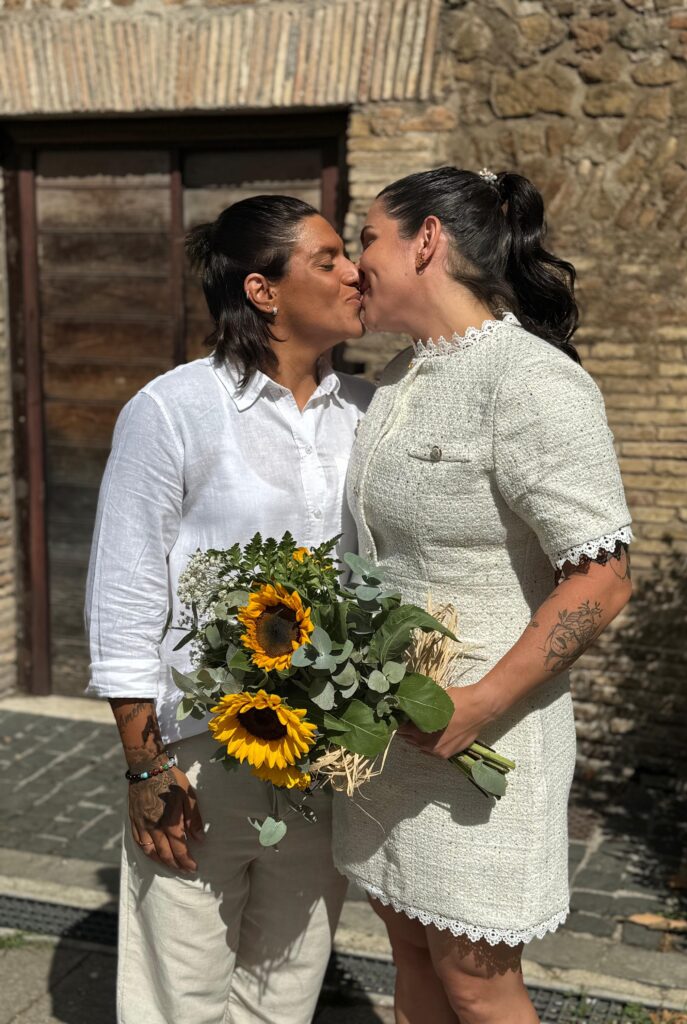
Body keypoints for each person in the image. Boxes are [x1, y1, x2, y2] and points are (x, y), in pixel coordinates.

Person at [333, 167, 633, 1024]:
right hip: (392, 740)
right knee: (408, 951)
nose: (355, 265)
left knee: (477, 984)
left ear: (426, 240)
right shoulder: (398, 377)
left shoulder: (530, 381)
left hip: (485, 739)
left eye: (368, 240)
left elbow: (604, 578)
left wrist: (479, 702)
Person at [85, 195, 373, 1024]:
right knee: (180, 992)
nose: (354, 272)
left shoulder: (368, 411)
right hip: (201, 755)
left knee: (288, 984)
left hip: (325, 752)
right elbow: (125, 594)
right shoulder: (174, 410)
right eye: (327, 259)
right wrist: (145, 766)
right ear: (263, 290)